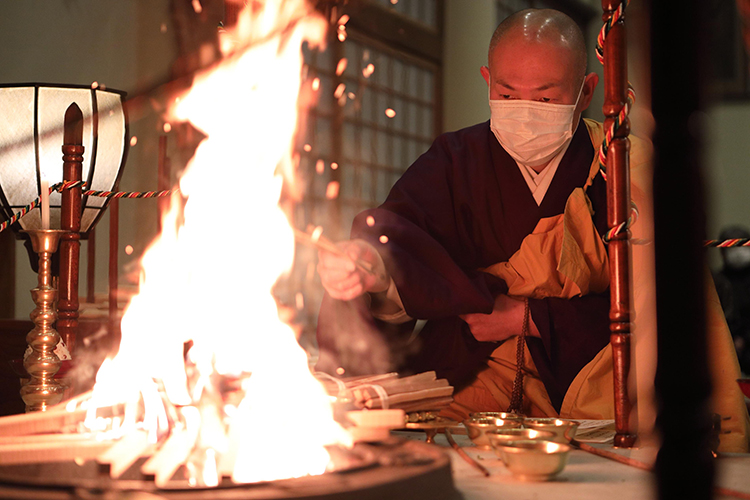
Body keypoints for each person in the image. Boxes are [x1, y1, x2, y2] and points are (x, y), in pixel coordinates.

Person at [315, 9, 750, 451]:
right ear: (487, 81)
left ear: (585, 92)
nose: (524, 114)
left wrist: (527, 319)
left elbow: (664, 305)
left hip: (600, 396)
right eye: (507, 94)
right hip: (471, 384)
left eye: (544, 100)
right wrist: (372, 269)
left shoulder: (622, 167)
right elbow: (398, 239)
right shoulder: (454, 161)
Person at [714, 226, 750, 375]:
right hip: (724, 346)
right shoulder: (717, 281)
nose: (737, 252)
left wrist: (745, 338)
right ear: (722, 252)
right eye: (731, 247)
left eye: (742, 246)